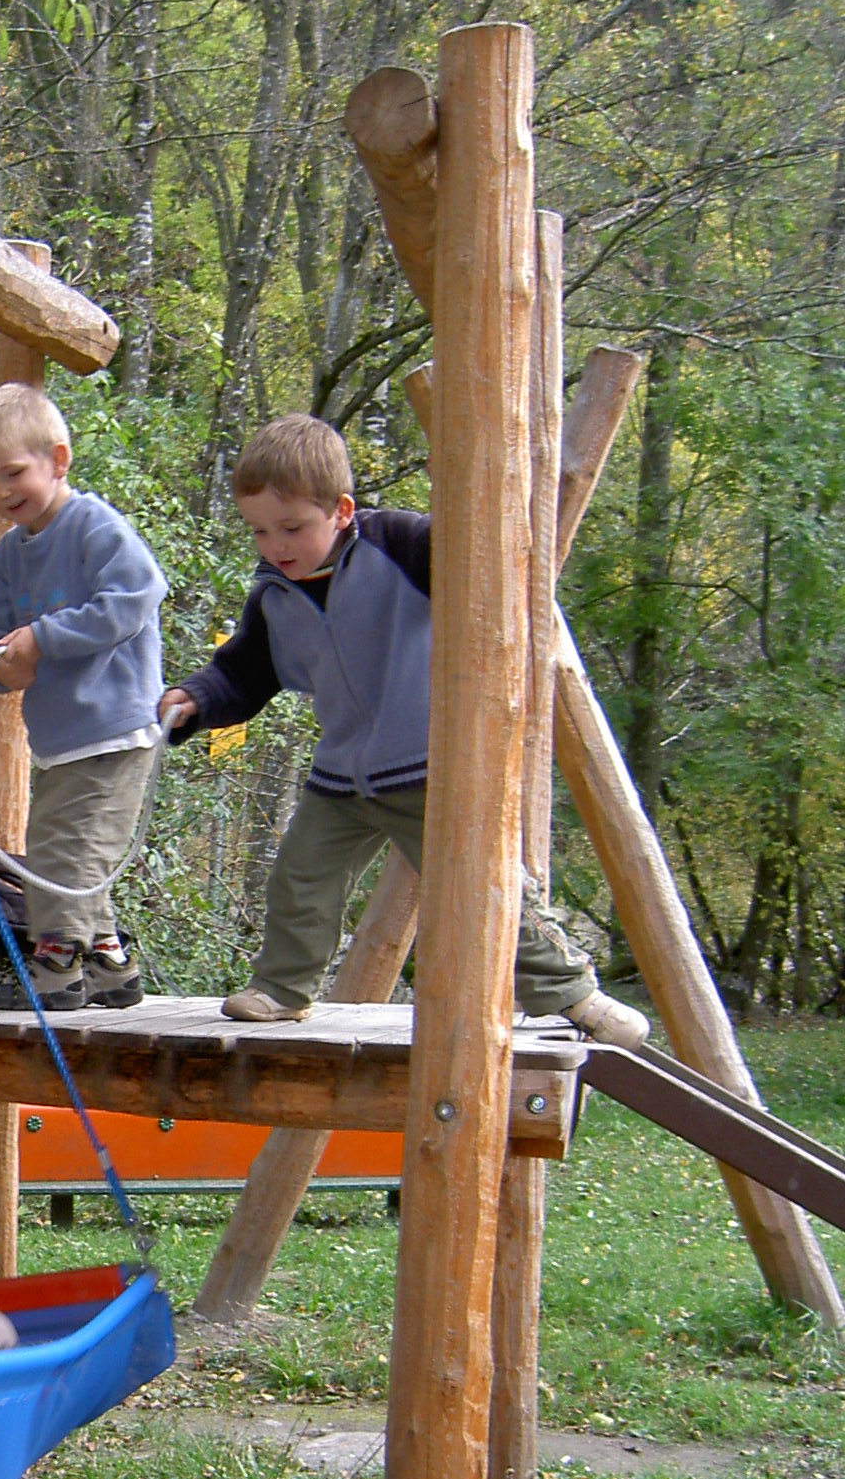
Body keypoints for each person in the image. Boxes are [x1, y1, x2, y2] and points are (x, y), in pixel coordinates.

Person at [157, 413, 648, 1048]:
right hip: (342, 774)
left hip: (427, 767)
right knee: (300, 878)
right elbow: (245, 671)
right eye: (259, 530)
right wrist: (196, 698)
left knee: (480, 885)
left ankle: (572, 994)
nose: (275, 545)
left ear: (341, 511)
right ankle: (282, 989)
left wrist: (476, 481)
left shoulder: (402, 545)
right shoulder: (274, 593)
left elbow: (481, 552)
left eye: (292, 527)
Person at [0, 385, 166, 1012]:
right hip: (58, 738)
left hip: (114, 727)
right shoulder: (9, 557)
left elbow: (137, 597)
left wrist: (44, 638)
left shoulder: (94, 527)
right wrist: (6, 668)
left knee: (64, 855)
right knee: (69, 846)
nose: (1, 493)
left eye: (12, 473)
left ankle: (54, 973)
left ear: (58, 460)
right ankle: (110, 968)